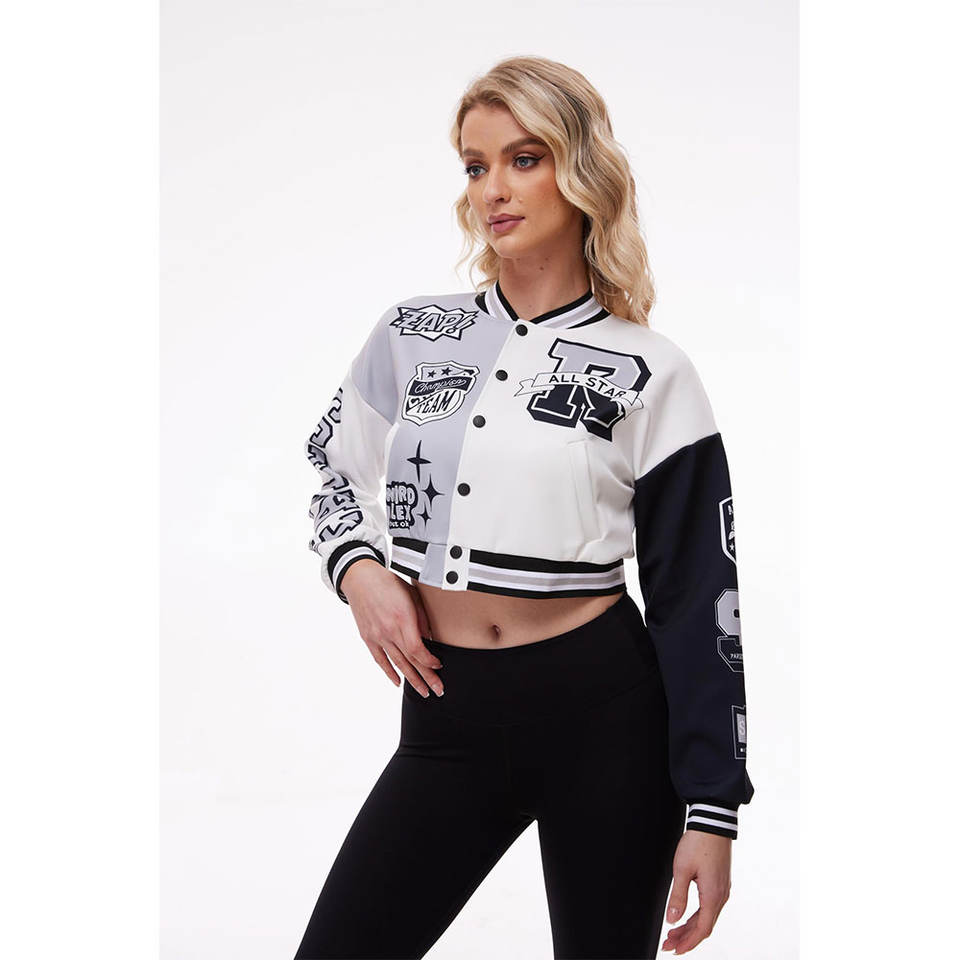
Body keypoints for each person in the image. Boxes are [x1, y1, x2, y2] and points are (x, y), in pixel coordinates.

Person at [294, 55, 755, 960]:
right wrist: (360, 572)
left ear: (580, 170)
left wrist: (712, 809)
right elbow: (332, 468)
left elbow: (701, 595)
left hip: (607, 718)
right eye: (476, 166)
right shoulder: (411, 335)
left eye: (524, 158)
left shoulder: (653, 371)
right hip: (448, 714)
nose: (493, 190)